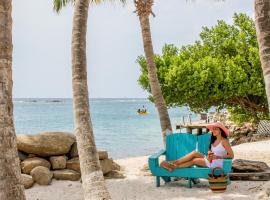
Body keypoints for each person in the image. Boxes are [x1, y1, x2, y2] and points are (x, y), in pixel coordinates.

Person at [160, 122, 234, 172]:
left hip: (217, 163)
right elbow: (211, 152)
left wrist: (218, 157)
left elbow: (231, 155)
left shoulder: (224, 141)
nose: (213, 131)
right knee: (194, 153)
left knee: (194, 160)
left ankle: (173, 166)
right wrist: (209, 153)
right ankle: (173, 163)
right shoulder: (213, 140)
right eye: (213, 129)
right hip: (211, 160)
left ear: (220, 130)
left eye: (215, 129)